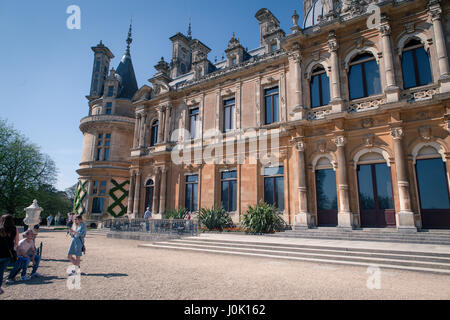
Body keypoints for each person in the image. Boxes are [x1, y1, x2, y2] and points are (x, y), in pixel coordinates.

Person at [0, 214, 19, 294]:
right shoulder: (15, 229)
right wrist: (13, 248)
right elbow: (17, 242)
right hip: (8, 254)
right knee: (1, 272)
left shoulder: (0, 229)